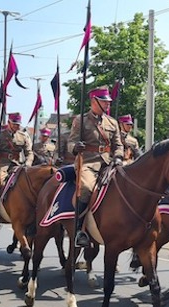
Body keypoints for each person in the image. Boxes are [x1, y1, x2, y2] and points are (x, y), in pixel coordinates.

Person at [69, 86, 123, 247]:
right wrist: (75, 147)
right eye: (104, 101)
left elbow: (118, 145)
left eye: (108, 102)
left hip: (109, 163)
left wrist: (118, 156)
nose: (108, 104)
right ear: (94, 101)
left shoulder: (112, 122)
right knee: (86, 188)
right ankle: (79, 230)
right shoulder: (81, 120)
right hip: (87, 162)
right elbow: (71, 142)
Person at [0, 112, 34, 225]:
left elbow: (29, 152)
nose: (16, 126)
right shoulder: (0, 135)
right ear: (9, 123)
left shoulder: (24, 136)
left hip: (18, 164)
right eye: (14, 124)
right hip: (2, 163)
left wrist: (28, 164)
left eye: (18, 124)